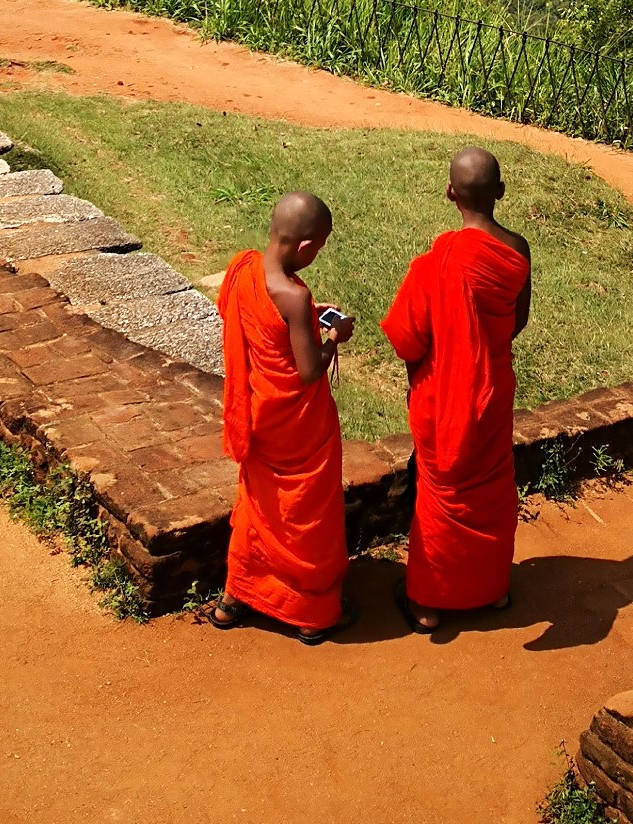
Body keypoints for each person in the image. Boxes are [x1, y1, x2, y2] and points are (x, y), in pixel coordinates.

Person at [381, 146, 532, 631]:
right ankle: (491, 590)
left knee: (441, 491)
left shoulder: (437, 260)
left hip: (442, 396)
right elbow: (517, 322)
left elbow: (408, 339)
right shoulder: (517, 249)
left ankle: (427, 602)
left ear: (450, 193)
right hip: (493, 390)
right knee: (489, 488)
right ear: (501, 193)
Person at [211, 191, 358, 644]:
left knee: (259, 507)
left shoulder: (242, 270)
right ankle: (309, 610)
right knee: (304, 512)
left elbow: (247, 321)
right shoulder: (295, 295)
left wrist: (304, 322)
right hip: (298, 428)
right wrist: (333, 336)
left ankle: (234, 598)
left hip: (258, 415)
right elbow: (310, 369)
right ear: (308, 247)